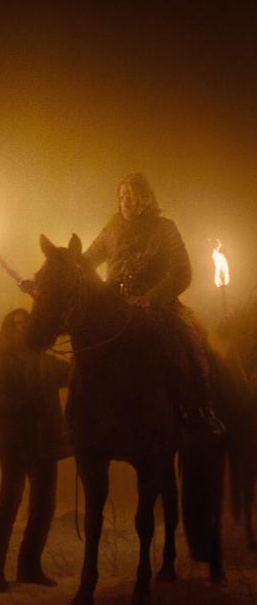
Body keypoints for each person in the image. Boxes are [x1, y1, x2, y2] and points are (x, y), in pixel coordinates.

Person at [82, 172, 223, 432]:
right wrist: (54, 277)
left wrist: (152, 298)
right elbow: (86, 261)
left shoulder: (165, 228)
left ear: (146, 198)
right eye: (122, 196)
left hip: (159, 306)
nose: (125, 202)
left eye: (131, 195)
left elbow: (181, 271)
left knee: (190, 341)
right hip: (115, 306)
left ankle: (201, 409)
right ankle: (81, 416)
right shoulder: (111, 228)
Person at [0, 308, 72, 593]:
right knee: (9, 504)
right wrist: (25, 401)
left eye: (26, 323)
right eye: (17, 324)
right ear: (9, 329)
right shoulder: (0, 361)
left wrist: (80, 353)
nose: (22, 328)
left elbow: (73, 374)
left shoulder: (45, 360)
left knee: (44, 506)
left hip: (45, 441)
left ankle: (29, 567)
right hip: (15, 442)